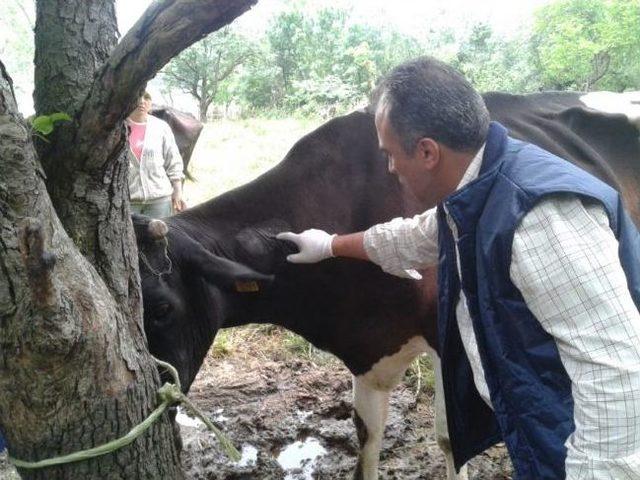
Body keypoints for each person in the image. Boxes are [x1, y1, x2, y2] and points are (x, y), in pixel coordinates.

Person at [277, 57, 640, 479]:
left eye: (391, 155)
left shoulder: (539, 219)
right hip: (542, 420)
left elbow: (617, 375)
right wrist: (330, 245)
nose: (391, 169)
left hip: (575, 441)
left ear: (428, 151)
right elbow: (416, 237)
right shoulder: (481, 187)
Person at [127, 91, 186, 217]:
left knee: (161, 236)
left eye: (147, 97)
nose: (142, 101)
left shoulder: (161, 127)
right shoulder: (118, 127)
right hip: (128, 202)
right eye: (137, 96)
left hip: (160, 200)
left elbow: (174, 161)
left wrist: (178, 191)